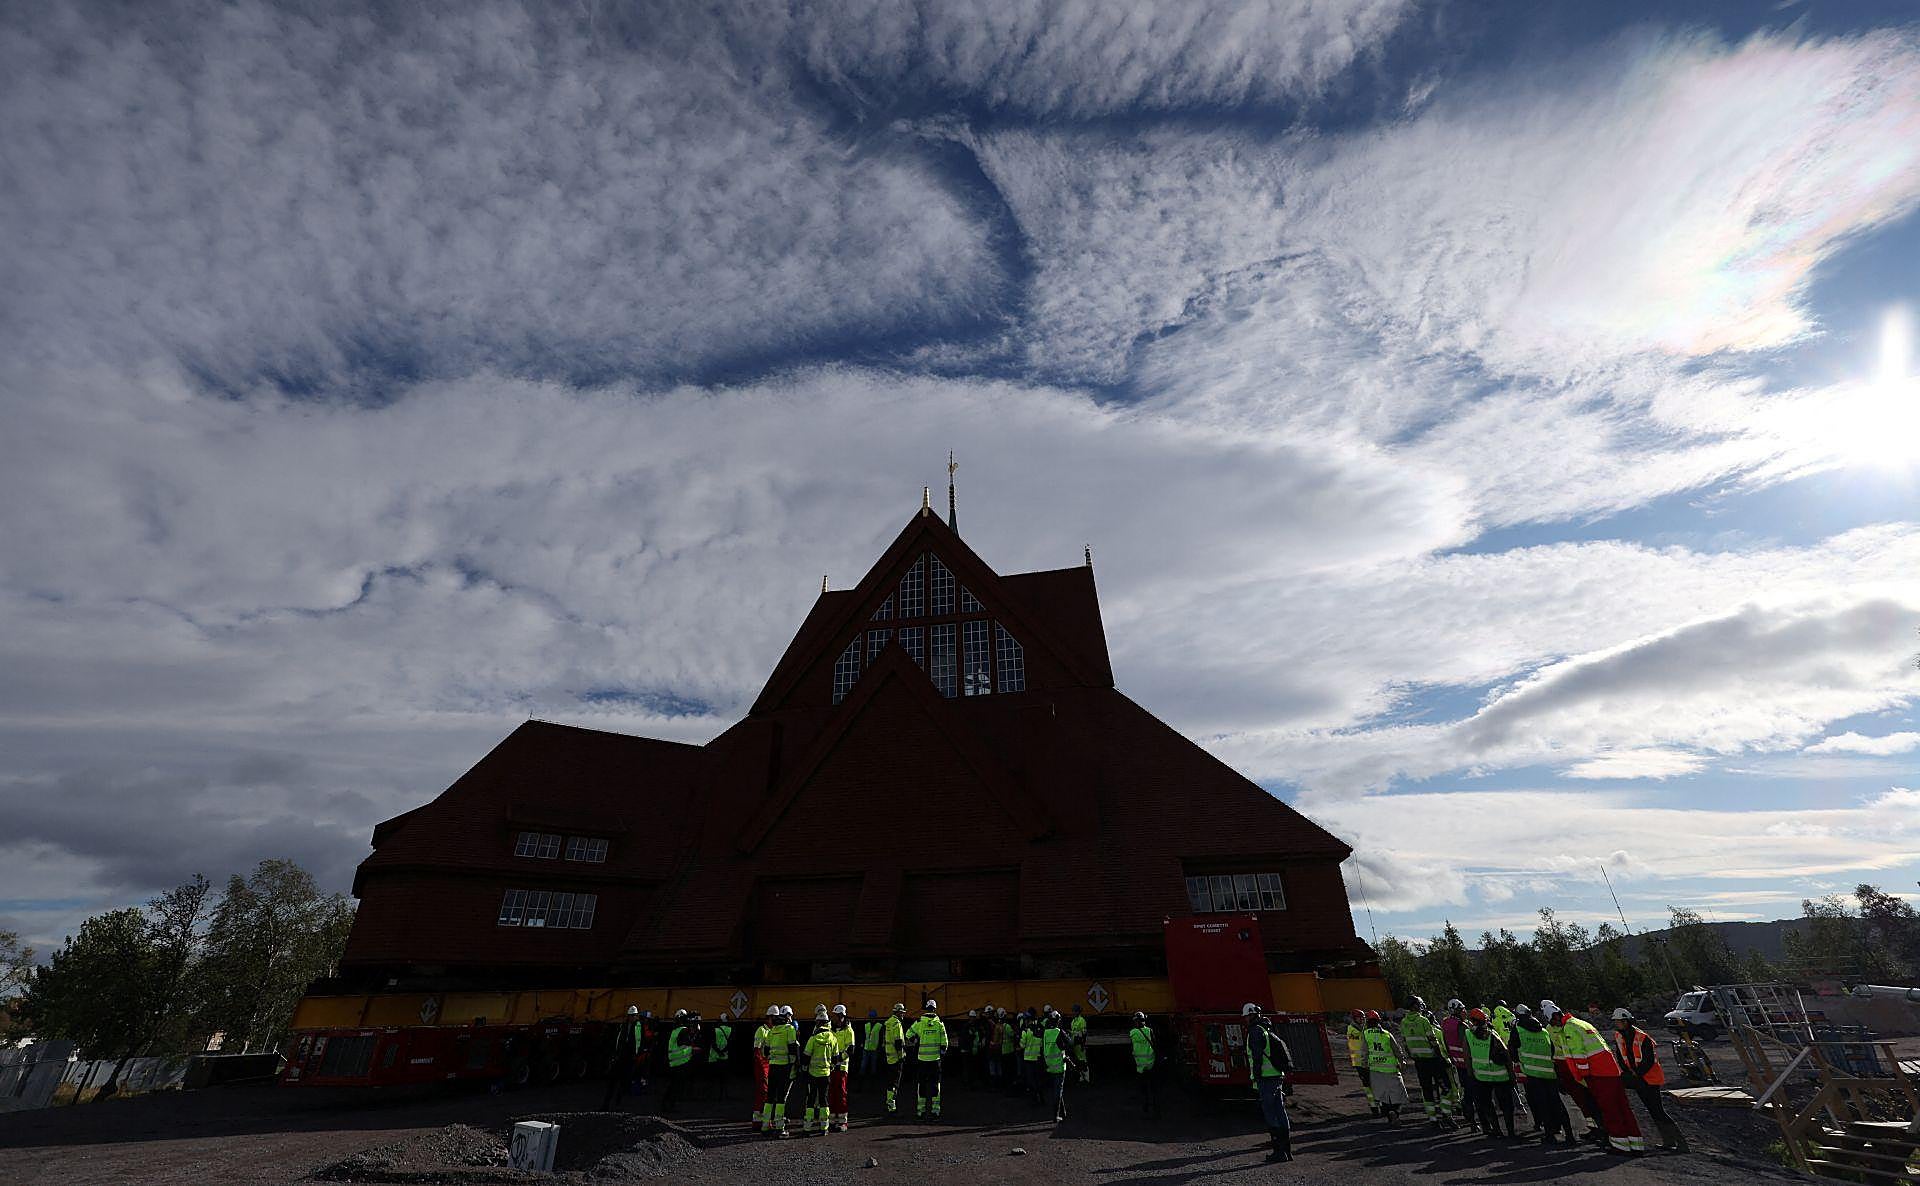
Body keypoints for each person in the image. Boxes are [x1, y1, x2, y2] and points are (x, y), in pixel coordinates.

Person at [1550, 1001, 1645, 1154]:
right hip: (1611, 1070)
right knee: (1622, 1106)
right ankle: (1635, 1143)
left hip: (1598, 1073)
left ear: (1555, 1016)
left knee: (1609, 1109)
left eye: (1552, 1021)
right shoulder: (1581, 1023)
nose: (1553, 1025)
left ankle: (1620, 1144)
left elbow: (1579, 1055)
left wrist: (1583, 1076)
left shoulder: (1569, 1028)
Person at [1612, 1009, 1688, 1152]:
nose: (1616, 1024)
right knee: (1653, 1111)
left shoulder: (1642, 1037)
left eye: (1618, 1021)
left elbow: (1649, 1060)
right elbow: (1621, 1057)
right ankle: (1669, 1141)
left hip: (1650, 1079)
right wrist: (1628, 1073)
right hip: (1638, 1079)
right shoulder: (1619, 1036)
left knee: (1658, 1111)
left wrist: (1636, 1074)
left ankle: (1681, 1143)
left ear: (1626, 1021)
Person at [1542, 999, 1601, 1142]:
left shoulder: (1564, 1027)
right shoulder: (1556, 1027)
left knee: (1586, 1097)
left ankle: (1599, 1127)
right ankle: (1594, 1127)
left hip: (1571, 1064)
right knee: (1581, 1098)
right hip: (1567, 1065)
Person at [1512, 1006, 1573, 1144]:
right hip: (1549, 1071)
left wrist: (1521, 1061)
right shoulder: (1544, 1030)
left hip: (1532, 1073)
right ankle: (1569, 1134)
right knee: (1557, 1103)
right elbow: (1551, 1050)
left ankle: (1550, 1134)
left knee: (1542, 1104)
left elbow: (1513, 1050)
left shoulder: (1518, 1030)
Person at [1245, 1004, 1294, 1161]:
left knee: (1270, 1113)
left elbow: (1257, 1056)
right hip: (1276, 1076)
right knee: (1280, 1111)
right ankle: (1287, 1151)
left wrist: (1256, 1076)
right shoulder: (1267, 1029)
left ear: (1250, 1016)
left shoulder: (1255, 1031)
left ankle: (1279, 1152)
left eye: (1246, 1016)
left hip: (1266, 1079)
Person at [1399, 996, 1454, 1128]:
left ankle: (1432, 1118)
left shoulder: (1404, 1022)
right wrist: (1441, 1058)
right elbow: (1433, 1041)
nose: (1421, 1006)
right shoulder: (1423, 1020)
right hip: (1433, 1060)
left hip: (1419, 1062)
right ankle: (1446, 1114)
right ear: (1414, 1006)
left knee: (1427, 1090)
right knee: (1447, 1088)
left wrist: (1413, 1056)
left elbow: (1405, 1043)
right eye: (1419, 1004)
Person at [1464, 1008, 1517, 1138]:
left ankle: (1496, 1130)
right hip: (1500, 1075)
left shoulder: (1468, 1034)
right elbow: (1506, 1054)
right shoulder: (1492, 1034)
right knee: (1506, 1105)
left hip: (1481, 1076)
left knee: (1487, 1104)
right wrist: (1512, 1075)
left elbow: (1467, 1056)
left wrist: (1470, 1074)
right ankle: (1510, 1131)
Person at [756, 1006, 802, 1137]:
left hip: (773, 1067)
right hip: (784, 1067)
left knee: (770, 1097)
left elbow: (766, 1051)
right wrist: (796, 1066)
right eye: (790, 1016)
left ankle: (765, 1125)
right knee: (781, 1098)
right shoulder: (789, 1029)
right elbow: (793, 1049)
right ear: (787, 1016)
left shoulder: (772, 1030)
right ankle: (780, 1127)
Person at [1364, 1010, 1412, 1123]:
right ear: (1378, 1021)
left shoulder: (1365, 1034)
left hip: (1375, 1069)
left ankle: (1389, 1113)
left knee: (1382, 1095)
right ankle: (1395, 1111)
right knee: (1398, 1093)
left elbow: (1364, 1052)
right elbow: (1397, 1050)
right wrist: (1402, 1062)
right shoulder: (1386, 1034)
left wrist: (1364, 1066)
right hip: (1391, 1068)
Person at [909, 999, 949, 1119]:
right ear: (935, 1009)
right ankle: (935, 1111)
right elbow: (945, 1043)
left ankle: (920, 1111)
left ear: (926, 1009)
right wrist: (941, 1054)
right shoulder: (939, 1023)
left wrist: (916, 1041)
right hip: (935, 1060)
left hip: (922, 1059)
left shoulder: (919, 1022)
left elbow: (908, 1034)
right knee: (935, 1085)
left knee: (921, 1085)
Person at [799, 1006, 835, 1135]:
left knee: (811, 1099)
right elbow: (836, 1057)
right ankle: (824, 1127)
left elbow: (806, 1057)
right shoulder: (833, 1038)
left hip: (813, 1074)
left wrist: (804, 1069)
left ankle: (807, 1128)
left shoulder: (813, 1039)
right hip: (826, 1074)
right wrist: (831, 1067)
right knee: (823, 1099)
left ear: (818, 1023)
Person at [1440, 999, 1475, 1128]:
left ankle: (1464, 1112)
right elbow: (1468, 1045)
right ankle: (1471, 1119)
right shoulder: (1461, 1026)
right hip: (1468, 1064)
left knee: (1464, 1089)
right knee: (1471, 1093)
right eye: (1462, 1009)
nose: (1465, 1012)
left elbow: (1445, 1042)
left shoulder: (1445, 1023)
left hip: (1456, 1063)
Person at [603, 1005, 643, 1110]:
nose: (633, 1017)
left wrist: (637, 1054)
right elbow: (618, 1040)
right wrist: (615, 1053)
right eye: (631, 1016)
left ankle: (618, 1104)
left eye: (634, 1016)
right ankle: (606, 1104)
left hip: (630, 1057)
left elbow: (640, 1041)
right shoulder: (623, 1026)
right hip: (621, 1056)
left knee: (624, 1082)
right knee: (613, 1081)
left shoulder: (639, 1026)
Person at [660, 1009, 699, 1114]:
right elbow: (687, 1043)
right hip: (680, 1063)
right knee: (677, 1086)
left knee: (672, 1085)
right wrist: (694, 1035)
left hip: (674, 1062)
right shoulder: (683, 1030)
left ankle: (666, 1104)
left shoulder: (675, 1031)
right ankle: (670, 1106)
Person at [1041, 1010, 1074, 1122]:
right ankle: (1055, 1116)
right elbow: (1070, 1043)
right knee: (1058, 1091)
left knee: (1057, 1089)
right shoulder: (1059, 1032)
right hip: (1059, 1065)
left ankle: (1063, 1113)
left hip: (1050, 1065)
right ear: (1058, 1021)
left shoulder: (1046, 1033)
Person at [827, 1004, 855, 1133]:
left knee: (841, 1093)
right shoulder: (830, 1029)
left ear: (841, 1016)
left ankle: (843, 1121)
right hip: (831, 1067)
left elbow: (851, 1049)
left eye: (836, 1016)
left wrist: (838, 1059)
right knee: (832, 1093)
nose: (834, 1018)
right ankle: (833, 1120)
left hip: (842, 1067)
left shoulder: (848, 1030)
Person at [1128, 1011, 1159, 1117]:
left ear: (1135, 1021)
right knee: (1153, 1087)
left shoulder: (1132, 1032)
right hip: (1151, 1063)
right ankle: (1155, 1107)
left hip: (1140, 1065)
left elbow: (1131, 1047)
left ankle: (1146, 1106)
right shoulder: (1149, 1031)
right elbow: (1155, 1044)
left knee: (1143, 1088)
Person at [1344, 1009, 1376, 1114]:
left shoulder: (1359, 1028)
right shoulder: (1353, 1030)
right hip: (1360, 1062)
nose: (1362, 1020)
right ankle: (1374, 1106)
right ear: (1354, 1019)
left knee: (1372, 1084)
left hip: (1366, 1060)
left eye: (1363, 1018)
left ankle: (1376, 1104)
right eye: (1360, 1018)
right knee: (1368, 1085)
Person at [750, 1005, 776, 1130]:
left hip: (770, 1065)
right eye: (773, 1018)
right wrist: (762, 1068)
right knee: (764, 1094)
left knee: (766, 1094)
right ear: (768, 1018)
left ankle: (760, 1120)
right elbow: (757, 1051)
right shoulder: (761, 1030)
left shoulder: (774, 1030)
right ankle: (762, 1121)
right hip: (762, 1065)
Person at [1020, 1011, 1044, 1102]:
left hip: (1028, 1059)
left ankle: (1034, 1098)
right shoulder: (1038, 1030)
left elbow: (1022, 1045)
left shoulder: (1025, 1031)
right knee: (1038, 1079)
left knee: (1031, 1080)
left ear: (1026, 1020)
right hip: (1037, 1058)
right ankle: (1041, 1097)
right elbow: (1041, 1044)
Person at [706, 1016, 731, 1100]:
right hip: (724, 1057)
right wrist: (723, 1051)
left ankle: (711, 1095)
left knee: (712, 1078)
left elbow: (712, 1042)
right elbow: (731, 1043)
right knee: (723, 1078)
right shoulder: (730, 1030)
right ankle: (722, 1095)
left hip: (713, 1057)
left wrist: (718, 1052)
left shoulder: (715, 1030)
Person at [1069, 1004, 1090, 1083]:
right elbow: (1073, 1032)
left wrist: (1083, 1044)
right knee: (1078, 1061)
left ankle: (1087, 1077)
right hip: (1075, 1044)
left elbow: (1084, 1033)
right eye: (1073, 1011)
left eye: (1075, 1011)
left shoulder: (1082, 1020)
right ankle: (1081, 1076)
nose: (1074, 1012)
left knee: (1083, 1061)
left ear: (1079, 1011)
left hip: (1080, 1043)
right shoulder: (1073, 1021)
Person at [860, 1009, 882, 1081]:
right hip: (866, 1049)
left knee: (873, 1066)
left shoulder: (879, 1026)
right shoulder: (866, 1025)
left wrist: (879, 1047)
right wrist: (862, 1044)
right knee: (863, 1065)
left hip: (874, 1049)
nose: (872, 1019)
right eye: (870, 1017)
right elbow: (864, 1036)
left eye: (873, 1017)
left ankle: (872, 1081)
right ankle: (861, 1081)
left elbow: (881, 1037)